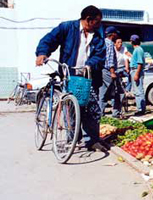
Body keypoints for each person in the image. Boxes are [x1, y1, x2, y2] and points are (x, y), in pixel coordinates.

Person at [35, 5, 107, 151]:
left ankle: (92, 141)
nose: (99, 25)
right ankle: (73, 138)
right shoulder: (67, 28)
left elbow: (100, 56)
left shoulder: (98, 36)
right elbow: (49, 40)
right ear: (88, 19)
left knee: (92, 109)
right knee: (71, 108)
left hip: (88, 78)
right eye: (97, 22)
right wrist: (42, 53)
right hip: (69, 76)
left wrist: (89, 65)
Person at [98, 26, 123, 118]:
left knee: (102, 93)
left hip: (103, 70)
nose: (117, 35)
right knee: (118, 92)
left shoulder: (103, 42)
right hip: (109, 71)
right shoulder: (109, 44)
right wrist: (112, 72)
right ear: (112, 35)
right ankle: (116, 114)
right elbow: (110, 59)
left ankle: (100, 114)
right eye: (115, 33)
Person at [130, 35, 146, 116]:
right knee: (137, 91)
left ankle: (141, 109)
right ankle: (140, 108)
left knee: (138, 91)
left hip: (136, 70)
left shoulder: (138, 50)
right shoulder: (137, 50)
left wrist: (136, 74)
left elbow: (140, 63)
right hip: (134, 70)